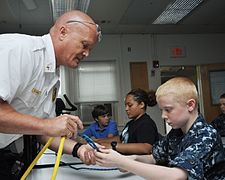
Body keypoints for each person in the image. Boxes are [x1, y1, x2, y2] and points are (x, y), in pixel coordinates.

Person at [0, 10, 101, 179]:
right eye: (84, 45)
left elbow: (43, 132)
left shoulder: (52, 77)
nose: (87, 54)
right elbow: (44, 126)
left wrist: (79, 149)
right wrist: (47, 125)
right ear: (63, 32)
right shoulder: (18, 50)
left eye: (90, 49)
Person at [95, 77, 225, 179]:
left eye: (168, 110)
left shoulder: (206, 135)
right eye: (162, 110)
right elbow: (153, 157)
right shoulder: (176, 133)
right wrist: (129, 159)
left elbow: (176, 175)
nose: (163, 116)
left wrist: (122, 162)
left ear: (190, 105)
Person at [95, 88, 159, 155]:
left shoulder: (146, 123)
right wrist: (98, 141)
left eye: (130, 105)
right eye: (125, 105)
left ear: (141, 104)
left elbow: (146, 148)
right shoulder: (131, 123)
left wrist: (114, 146)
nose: (126, 109)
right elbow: (122, 138)